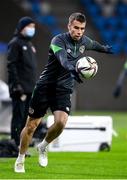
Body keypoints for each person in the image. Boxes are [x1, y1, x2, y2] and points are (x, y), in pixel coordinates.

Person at [14, 12, 113, 173]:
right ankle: (20, 158)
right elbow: (62, 59)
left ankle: (43, 146)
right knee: (31, 126)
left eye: (82, 28)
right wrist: (72, 69)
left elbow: (94, 44)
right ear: (69, 26)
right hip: (45, 86)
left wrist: (105, 49)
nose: (79, 31)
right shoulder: (57, 40)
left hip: (64, 88)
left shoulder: (84, 41)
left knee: (61, 123)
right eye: (76, 28)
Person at [7, 17, 37, 148]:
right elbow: (11, 65)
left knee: (26, 118)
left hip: (29, 88)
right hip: (19, 89)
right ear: (21, 27)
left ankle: (23, 144)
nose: (32, 29)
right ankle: (15, 143)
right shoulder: (15, 43)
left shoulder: (29, 44)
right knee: (18, 117)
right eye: (29, 26)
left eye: (33, 26)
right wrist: (16, 85)